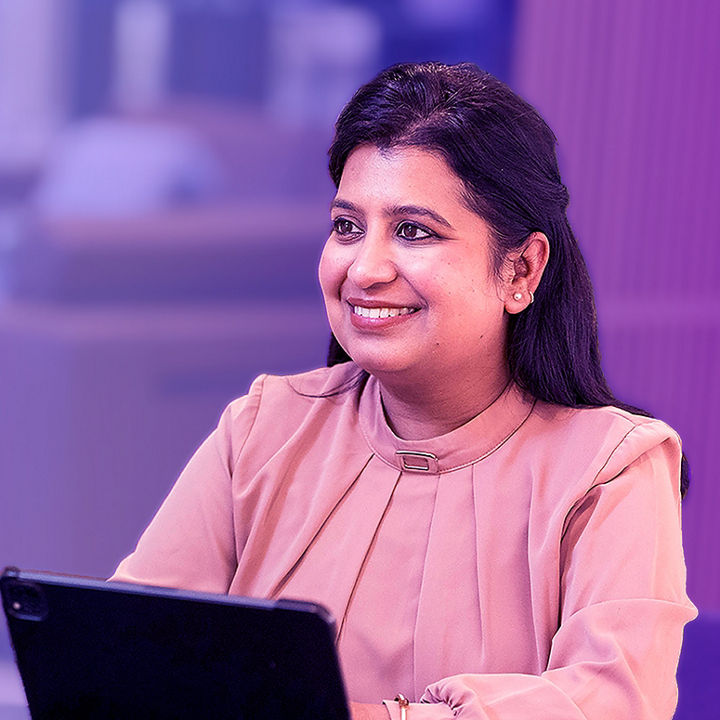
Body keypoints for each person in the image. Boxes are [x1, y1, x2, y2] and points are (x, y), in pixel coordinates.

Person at [111, 62, 696, 719]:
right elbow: (128, 654)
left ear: (521, 269)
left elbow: (614, 702)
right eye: (347, 226)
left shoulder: (613, 470)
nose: (365, 268)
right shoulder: (262, 428)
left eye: (414, 231)